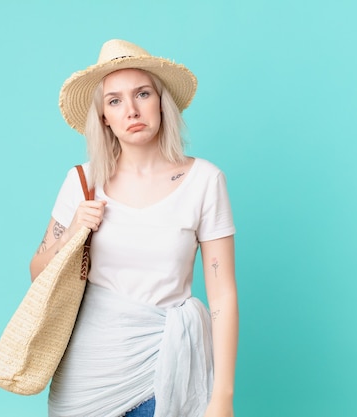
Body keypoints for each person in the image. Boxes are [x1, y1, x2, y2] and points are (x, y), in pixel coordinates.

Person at [29, 39, 238, 417]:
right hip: (85, 381)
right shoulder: (83, 182)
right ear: (104, 117)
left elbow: (222, 296)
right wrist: (76, 228)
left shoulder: (204, 180)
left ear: (161, 102)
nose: (131, 110)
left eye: (142, 93)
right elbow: (37, 272)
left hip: (164, 374)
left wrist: (222, 397)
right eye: (114, 100)